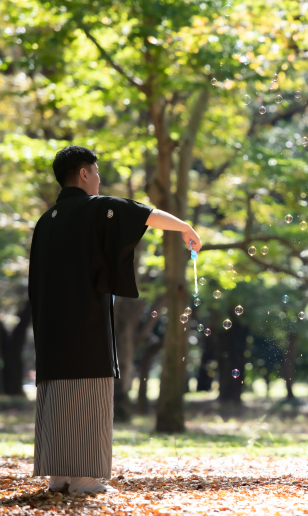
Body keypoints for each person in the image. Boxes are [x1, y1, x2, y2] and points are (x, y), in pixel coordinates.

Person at [28, 145, 201, 494]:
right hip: (85, 321)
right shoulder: (96, 207)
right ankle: (86, 479)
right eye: (96, 172)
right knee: (89, 391)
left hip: (50, 324)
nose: (98, 179)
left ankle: (58, 476)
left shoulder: (46, 221)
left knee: (57, 394)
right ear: (83, 173)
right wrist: (184, 226)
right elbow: (143, 214)